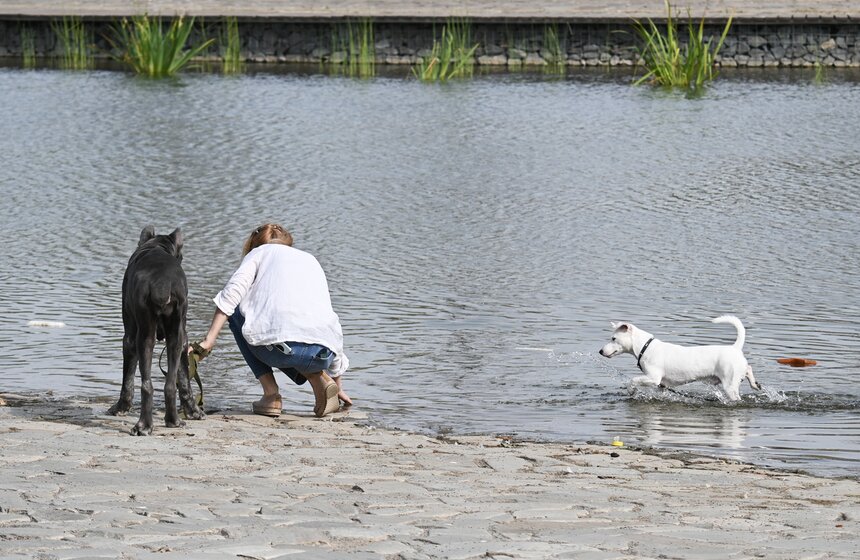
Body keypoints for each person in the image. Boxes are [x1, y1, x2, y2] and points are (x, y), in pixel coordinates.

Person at [194, 223, 351, 418]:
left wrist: (208, 341)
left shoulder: (258, 253)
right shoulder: (310, 260)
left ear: (254, 245)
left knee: (235, 310)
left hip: (282, 350)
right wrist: (337, 381)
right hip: (324, 353)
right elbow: (329, 321)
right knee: (296, 328)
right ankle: (319, 377)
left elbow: (231, 294)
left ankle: (271, 395)